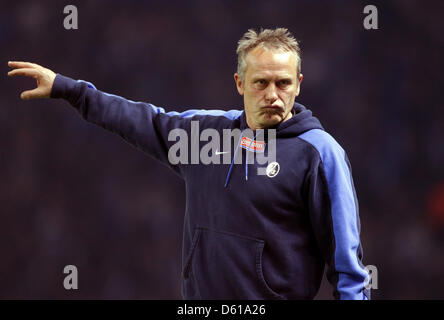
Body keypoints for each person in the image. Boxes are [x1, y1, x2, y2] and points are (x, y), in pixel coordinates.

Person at [8, 28, 370, 300]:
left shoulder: (320, 153)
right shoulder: (204, 137)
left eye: (283, 83)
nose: (273, 94)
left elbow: (348, 270)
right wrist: (70, 90)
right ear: (239, 83)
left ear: (299, 85)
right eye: (261, 82)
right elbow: (143, 120)